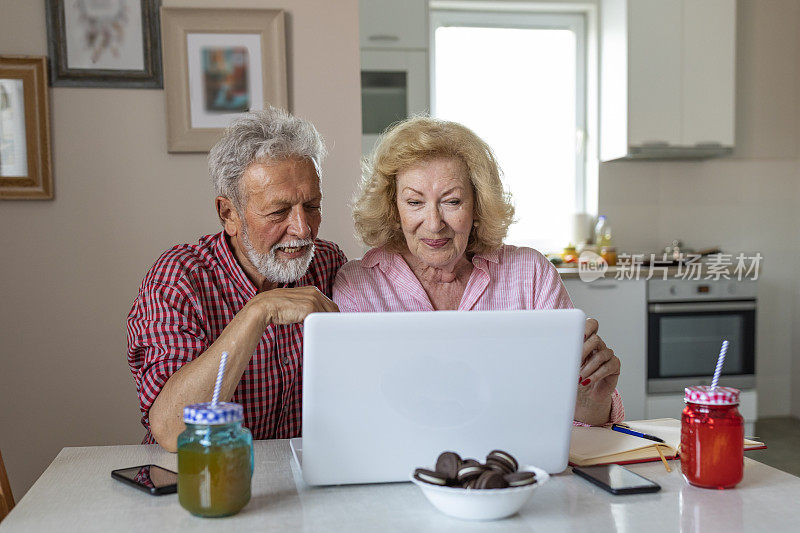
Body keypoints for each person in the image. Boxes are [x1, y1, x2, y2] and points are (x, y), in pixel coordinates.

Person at [333, 116, 623, 425]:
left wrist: (590, 402)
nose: (434, 223)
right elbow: (357, 413)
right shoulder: (358, 285)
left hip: (515, 466)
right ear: (393, 208)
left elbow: (579, 423)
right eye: (415, 202)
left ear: (477, 206)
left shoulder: (530, 275)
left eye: (452, 201)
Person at [127, 108, 345, 451]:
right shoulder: (178, 280)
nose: (303, 229)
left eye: (313, 206)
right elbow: (172, 432)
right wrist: (257, 312)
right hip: (199, 481)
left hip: (299, 480)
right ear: (229, 214)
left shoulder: (329, 264)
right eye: (278, 212)